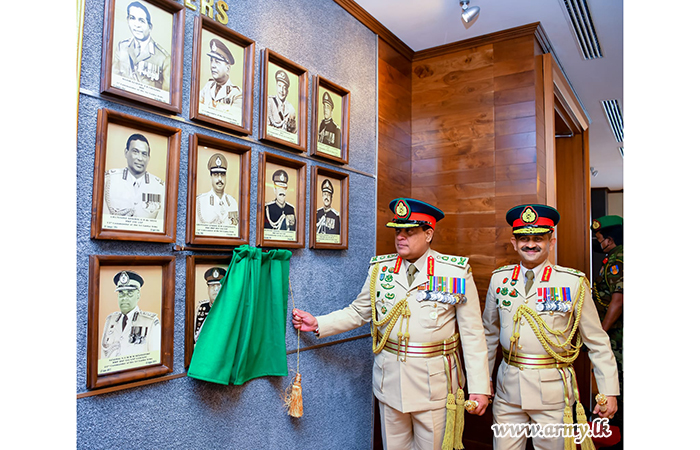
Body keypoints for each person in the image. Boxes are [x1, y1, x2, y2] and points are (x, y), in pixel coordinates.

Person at [293, 198, 490, 450]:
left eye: (410, 231)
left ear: (428, 234)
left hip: (435, 386)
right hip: (390, 383)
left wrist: (480, 387)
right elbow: (358, 312)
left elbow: (473, 334)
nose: (401, 237)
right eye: (398, 231)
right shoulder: (380, 269)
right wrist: (318, 323)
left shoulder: (454, 272)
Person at [482, 205, 619, 450]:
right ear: (514, 243)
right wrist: (483, 383)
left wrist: (608, 390)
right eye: (524, 238)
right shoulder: (499, 279)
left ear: (551, 242)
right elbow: (489, 335)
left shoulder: (572, 282)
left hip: (554, 394)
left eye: (538, 238)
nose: (531, 244)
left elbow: (597, 340)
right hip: (507, 391)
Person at [591, 214, 623, 446]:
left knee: (618, 383)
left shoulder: (616, 261)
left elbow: (619, 300)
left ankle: (616, 433)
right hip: (615, 333)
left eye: (599, 238)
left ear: (609, 240)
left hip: (617, 335)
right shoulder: (615, 257)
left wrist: (601, 331)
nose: (598, 243)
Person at [104, 133, 165, 219]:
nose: (140, 158)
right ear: (126, 153)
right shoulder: (109, 180)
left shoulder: (160, 187)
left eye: (144, 154)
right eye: (135, 152)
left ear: (148, 158)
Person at [102, 270, 161, 358]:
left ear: (138, 295)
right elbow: (103, 355)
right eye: (121, 293)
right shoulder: (110, 320)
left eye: (130, 294)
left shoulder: (150, 322)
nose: (124, 298)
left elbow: (155, 358)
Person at [113, 1, 170, 91]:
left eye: (141, 21)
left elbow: (166, 94)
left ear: (150, 27)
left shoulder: (163, 58)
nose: (136, 25)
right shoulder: (122, 46)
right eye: (132, 18)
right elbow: (114, 78)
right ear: (127, 20)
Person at [199, 38, 243, 120]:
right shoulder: (208, 86)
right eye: (211, 61)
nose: (213, 65)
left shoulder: (236, 94)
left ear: (228, 68)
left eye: (217, 62)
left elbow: (233, 121)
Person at [196, 153, 239, 226]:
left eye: (222, 175)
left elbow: (234, 229)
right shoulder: (201, 201)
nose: (220, 179)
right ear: (211, 177)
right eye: (216, 175)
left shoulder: (232, 202)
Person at [194, 267, 226, 343]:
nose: (215, 289)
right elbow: (196, 338)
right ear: (208, 289)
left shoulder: (228, 308)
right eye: (212, 286)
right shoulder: (201, 307)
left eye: (218, 285)